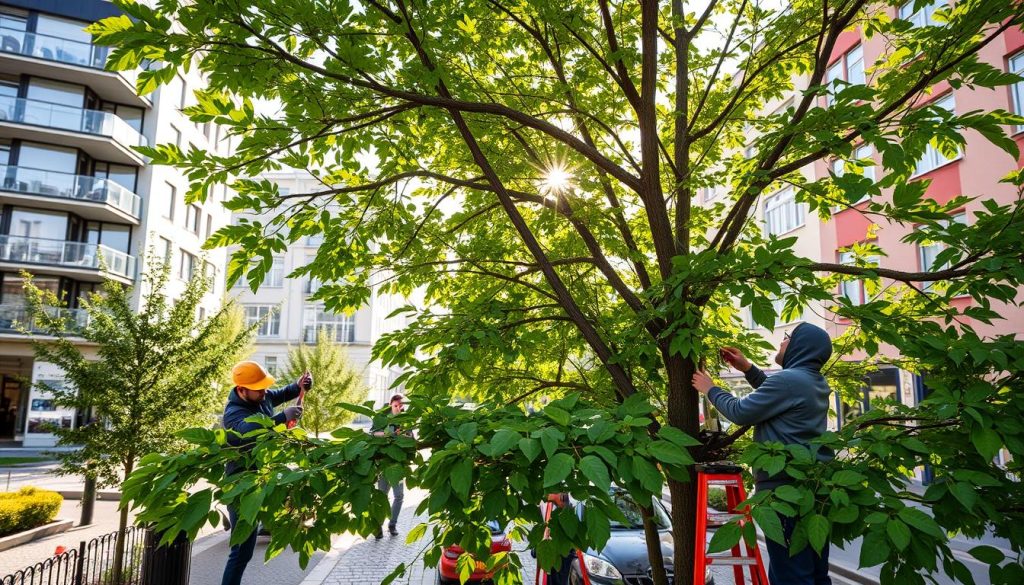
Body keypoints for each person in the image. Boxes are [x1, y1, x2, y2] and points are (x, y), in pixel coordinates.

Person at [691, 322, 834, 585]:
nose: (782, 341)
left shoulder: (789, 380)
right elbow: (781, 396)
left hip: (784, 493)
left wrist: (710, 389)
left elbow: (740, 412)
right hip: (814, 490)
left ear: (800, 346)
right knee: (815, 572)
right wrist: (748, 369)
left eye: (788, 337)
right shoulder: (812, 381)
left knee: (791, 575)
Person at [220, 361, 311, 585]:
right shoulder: (233, 413)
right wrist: (282, 417)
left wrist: (300, 385)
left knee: (245, 551)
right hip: (240, 487)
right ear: (241, 390)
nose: (264, 392)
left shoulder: (261, 396)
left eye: (263, 387)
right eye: (258, 388)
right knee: (241, 550)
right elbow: (249, 432)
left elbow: (282, 392)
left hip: (260, 481)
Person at [370, 394, 407, 538]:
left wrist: (402, 434)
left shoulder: (405, 420)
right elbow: (372, 434)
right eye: (395, 405)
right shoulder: (381, 418)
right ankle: (377, 527)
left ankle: (392, 524)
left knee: (399, 496)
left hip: (397, 466)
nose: (398, 408)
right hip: (383, 464)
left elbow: (411, 439)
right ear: (391, 405)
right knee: (382, 497)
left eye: (400, 406)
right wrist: (387, 434)